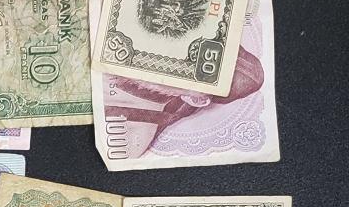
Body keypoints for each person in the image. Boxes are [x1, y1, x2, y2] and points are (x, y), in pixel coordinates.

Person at [101, 47, 265, 159]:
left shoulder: (129, 140)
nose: (177, 63)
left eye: (197, 74)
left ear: (196, 99)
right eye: (191, 54)